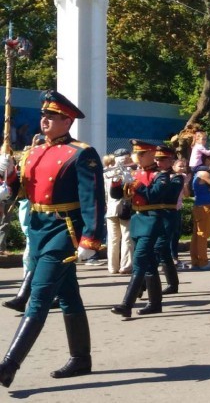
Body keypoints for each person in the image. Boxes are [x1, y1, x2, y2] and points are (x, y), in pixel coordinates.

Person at [0, 90, 105, 387]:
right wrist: (7, 179)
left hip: (63, 231)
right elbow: (23, 189)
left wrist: (90, 239)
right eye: (43, 115)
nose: (44, 120)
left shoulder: (80, 154)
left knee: (39, 297)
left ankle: (9, 364)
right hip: (37, 228)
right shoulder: (33, 151)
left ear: (67, 120)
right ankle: (81, 358)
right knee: (69, 295)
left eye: (52, 116)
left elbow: (93, 201)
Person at [110, 140, 170, 318]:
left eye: (141, 154)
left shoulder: (161, 175)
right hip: (137, 220)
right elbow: (116, 195)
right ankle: (155, 303)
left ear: (151, 155)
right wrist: (116, 181)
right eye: (137, 154)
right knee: (150, 264)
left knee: (139, 261)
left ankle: (126, 304)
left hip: (152, 220)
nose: (137, 157)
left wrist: (135, 184)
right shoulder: (135, 173)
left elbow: (153, 195)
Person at [153, 145, 184, 294]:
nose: (158, 163)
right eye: (156, 159)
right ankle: (173, 284)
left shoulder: (176, 177)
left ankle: (144, 284)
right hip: (155, 216)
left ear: (170, 160)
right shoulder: (154, 175)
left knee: (157, 248)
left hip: (168, 216)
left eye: (161, 160)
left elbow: (167, 194)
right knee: (164, 252)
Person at [106, 149, 134, 275]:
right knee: (127, 237)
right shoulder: (128, 172)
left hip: (110, 208)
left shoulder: (107, 172)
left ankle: (112, 267)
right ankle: (126, 266)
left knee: (113, 239)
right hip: (125, 207)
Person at [190, 156, 210, 270]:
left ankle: (195, 260)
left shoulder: (197, 172)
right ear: (206, 161)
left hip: (199, 205)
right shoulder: (204, 173)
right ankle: (203, 262)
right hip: (204, 206)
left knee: (197, 235)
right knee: (203, 235)